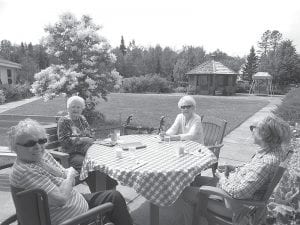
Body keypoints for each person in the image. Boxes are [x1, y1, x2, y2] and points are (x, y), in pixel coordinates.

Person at [8, 118, 133, 225]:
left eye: (42, 141)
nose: (38, 146)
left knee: (114, 196)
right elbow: (61, 198)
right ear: (15, 147)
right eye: (30, 143)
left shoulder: (42, 155)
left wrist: (66, 177)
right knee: (116, 206)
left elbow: (67, 178)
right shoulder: (25, 171)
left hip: (76, 201)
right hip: (72, 219)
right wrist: (70, 174)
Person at [179, 114, 291, 225]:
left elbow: (238, 193)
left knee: (184, 192)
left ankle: (195, 220)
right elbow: (252, 169)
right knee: (192, 182)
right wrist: (234, 168)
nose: (251, 131)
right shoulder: (272, 151)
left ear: (264, 134)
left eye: (253, 128)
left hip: (235, 206)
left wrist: (222, 178)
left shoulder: (267, 161)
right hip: (234, 191)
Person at [57, 96, 117, 190]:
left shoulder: (82, 119)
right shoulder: (64, 121)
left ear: (82, 109)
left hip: (87, 151)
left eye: (78, 107)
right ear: (68, 108)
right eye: (73, 107)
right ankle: (99, 195)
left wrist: (91, 138)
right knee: (91, 166)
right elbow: (64, 141)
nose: (76, 109)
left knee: (104, 161)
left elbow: (90, 135)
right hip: (72, 154)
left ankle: (111, 190)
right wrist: (82, 139)